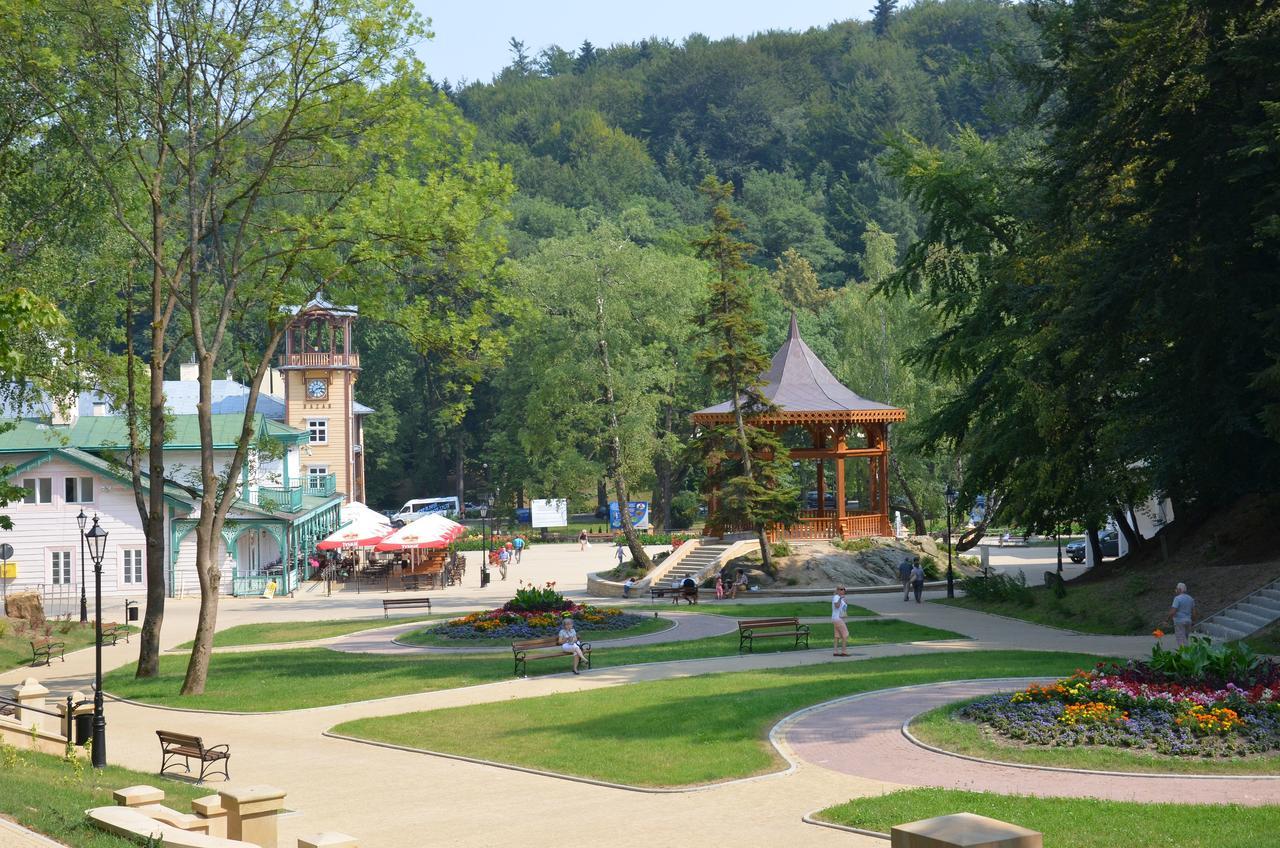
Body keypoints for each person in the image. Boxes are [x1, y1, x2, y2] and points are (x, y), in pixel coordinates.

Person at [1168, 582, 1196, 646]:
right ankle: (1187, 653)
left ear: (1180, 589)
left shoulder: (1177, 598)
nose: (1176, 590)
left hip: (1179, 621)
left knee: (1181, 640)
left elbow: (1173, 611)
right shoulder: (1190, 598)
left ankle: (1185, 654)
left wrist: (1167, 620)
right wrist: (1193, 621)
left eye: (1177, 589)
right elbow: (1194, 612)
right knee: (1185, 638)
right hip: (1188, 621)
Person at [831, 585, 850, 656]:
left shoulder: (841, 597)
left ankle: (835, 652)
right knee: (845, 634)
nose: (843, 591)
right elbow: (837, 606)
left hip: (837, 618)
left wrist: (843, 599)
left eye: (844, 589)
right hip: (837, 618)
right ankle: (844, 651)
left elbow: (844, 606)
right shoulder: (836, 597)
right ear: (838, 590)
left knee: (837, 635)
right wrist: (840, 598)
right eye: (841, 589)